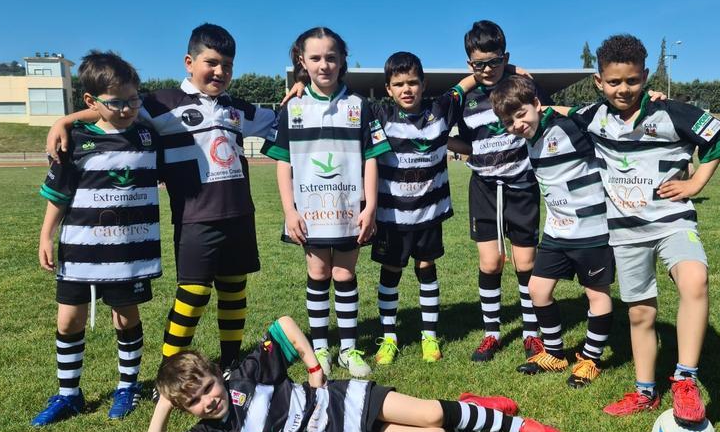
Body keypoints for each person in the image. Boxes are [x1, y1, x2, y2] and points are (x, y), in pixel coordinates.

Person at [47, 24, 277, 373]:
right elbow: (113, 109)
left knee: (234, 290)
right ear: (189, 61)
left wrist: (301, 90)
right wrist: (64, 121)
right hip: (195, 216)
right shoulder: (159, 104)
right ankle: (169, 368)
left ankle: (231, 361)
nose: (221, 72)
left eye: (228, 65)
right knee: (193, 294)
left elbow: (284, 119)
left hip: (240, 213)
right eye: (211, 62)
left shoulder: (238, 108)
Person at [569, 35, 720, 426]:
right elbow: (552, 113)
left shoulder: (672, 112)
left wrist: (695, 185)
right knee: (641, 313)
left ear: (645, 77)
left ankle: (685, 379)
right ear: (599, 81)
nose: (623, 89)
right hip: (625, 233)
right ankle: (645, 390)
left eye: (632, 80)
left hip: (671, 221)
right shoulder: (592, 116)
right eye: (614, 82)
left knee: (695, 280)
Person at [143, 316, 563, 432]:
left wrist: (311, 364)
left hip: (348, 401)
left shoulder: (246, 377)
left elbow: (284, 326)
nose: (207, 401)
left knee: (432, 413)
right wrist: (164, 404)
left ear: (219, 374)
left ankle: (517, 426)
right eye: (194, 402)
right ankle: (470, 406)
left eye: (208, 388)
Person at [32, 51, 161, 425]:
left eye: (133, 100)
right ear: (91, 102)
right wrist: (46, 236)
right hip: (80, 250)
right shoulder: (75, 140)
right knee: (69, 320)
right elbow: (59, 194)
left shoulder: (147, 134)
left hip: (129, 253)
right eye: (116, 103)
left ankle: (127, 387)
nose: (126, 109)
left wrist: (67, 115)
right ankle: (69, 394)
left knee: (125, 318)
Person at [260, 27, 389, 378]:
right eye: (315, 58)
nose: (324, 64)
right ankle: (320, 347)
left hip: (349, 210)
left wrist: (370, 206)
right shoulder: (293, 106)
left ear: (342, 59)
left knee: (345, 274)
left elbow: (371, 158)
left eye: (331, 57)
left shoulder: (359, 105)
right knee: (317, 273)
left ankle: (348, 348)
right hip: (310, 213)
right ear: (302, 61)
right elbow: (283, 162)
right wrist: (289, 210)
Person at [490, 75, 615, 389]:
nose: (517, 125)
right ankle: (556, 353)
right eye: (509, 122)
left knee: (596, 295)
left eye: (522, 115)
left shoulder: (569, 126)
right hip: (556, 233)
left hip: (592, 231)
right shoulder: (530, 139)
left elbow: (609, 110)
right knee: (538, 290)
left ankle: (590, 360)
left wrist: (649, 97)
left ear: (536, 105)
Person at [367, 52, 478, 365]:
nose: (407, 89)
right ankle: (388, 337)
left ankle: (429, 336)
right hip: (391, 217)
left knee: (426, 269)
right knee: (391, 272)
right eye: (399, 84)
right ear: (388, 88)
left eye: (413, 82)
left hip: (429, 214)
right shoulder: (378, 113)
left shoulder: (440, 108)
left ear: (423, 84)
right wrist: (301, 85)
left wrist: (506, 67)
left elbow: (466, 83)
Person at [455, 20, 548, 362]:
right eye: (480, 64)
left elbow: (546, 116)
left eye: (495, 61)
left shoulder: (522, 87)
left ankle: (531, 333)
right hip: (484, 187)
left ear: (505, 57)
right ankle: (492, 332)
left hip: (522, 186)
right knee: (491, 262)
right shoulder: (464, 98)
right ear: (470, 64)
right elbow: (463, 140)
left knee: (526, 262)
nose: (488, 69)